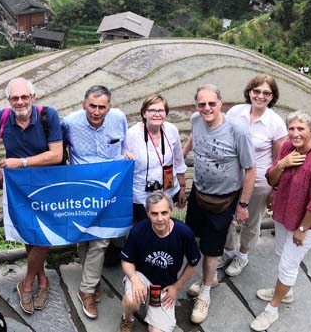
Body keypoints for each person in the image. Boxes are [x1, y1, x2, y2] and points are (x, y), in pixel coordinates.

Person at [0, 77, 63, 315]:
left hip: (47, 185)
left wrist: (22, 162)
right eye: (14, 98)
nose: (20, 102)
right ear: (9, 101)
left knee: (45, 236)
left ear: (33, 97)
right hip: (18, 187)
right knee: (29, 234)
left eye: (24, 97)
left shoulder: (49, 116)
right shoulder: (2, 117)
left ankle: (27, 283)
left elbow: (56, 155)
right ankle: (43, 280)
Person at [250, 111, 311, 331]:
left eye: (301, 129)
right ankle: (286, 292)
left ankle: (272, 309)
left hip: (306, 224)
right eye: (292, 129)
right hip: (285, 214)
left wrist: (302, 229)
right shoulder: (288, 148)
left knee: (288, 264)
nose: (295, 133)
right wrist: (282, 164)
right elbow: (271, 178)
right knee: (283, 255)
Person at [182, 84, 256, 324]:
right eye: (201, 104)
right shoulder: (196, 119)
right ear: (196, 106)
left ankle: (205, 291)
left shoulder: (238, 130)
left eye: (211, 103)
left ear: (221, 103)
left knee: (212, 248)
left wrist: (243, 204)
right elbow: (194, 136)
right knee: (193, 236)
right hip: (199, 192)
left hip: (224, 200)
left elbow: (250, 169)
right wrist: (180, 157)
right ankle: (209, 278)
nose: (206, 108)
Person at [62, 85, 128, 319]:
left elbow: (124, 145)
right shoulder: (70, 123)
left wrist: (125, 156)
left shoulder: (118, 118)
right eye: (92, 106)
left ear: (109, 107)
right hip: (82, 190)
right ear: (83, 104)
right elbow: (60, 152)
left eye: (102, 107)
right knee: (86, 237)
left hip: (111, 188)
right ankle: (91, 281)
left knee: (101, 240)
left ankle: (86, 288)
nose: (97, 111)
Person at [219, 75, 287, 277]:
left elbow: (278, 160)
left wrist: (275, 189)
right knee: (226, 216)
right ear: (249, 92)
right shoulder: (235, 112)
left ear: (272, 97)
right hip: (231, 177)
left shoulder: (275, 123)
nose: (260, 96)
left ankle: (242, 255)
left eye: (266, 93)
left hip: (258, 181)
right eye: (257, 91)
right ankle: (229, 250)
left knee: (251, 220)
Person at [118, 191, 201, 332]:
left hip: (165, 285)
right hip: (142, 276)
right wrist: (134, 279)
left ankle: (153, 310)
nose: (160, 218)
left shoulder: (184, 233)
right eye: (154, 214)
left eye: (164, 213)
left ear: (171, 211)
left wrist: (176, 287)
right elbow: (126, 260)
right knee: (131, 301)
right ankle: (128, 319)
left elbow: (193, 263)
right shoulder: (138, 231)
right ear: (148, 213)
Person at [124, 94, 187, 224]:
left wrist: (182, 188)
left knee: (163, 226)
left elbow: (178, 160)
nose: (156, 114)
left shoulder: (171, 130)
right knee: (145, 230)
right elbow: (122, 163)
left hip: (167, 191)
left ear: (166, 113)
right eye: (152, 110)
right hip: (141, 195)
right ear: (144, 113)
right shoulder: (132, 134)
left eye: (160, 110)